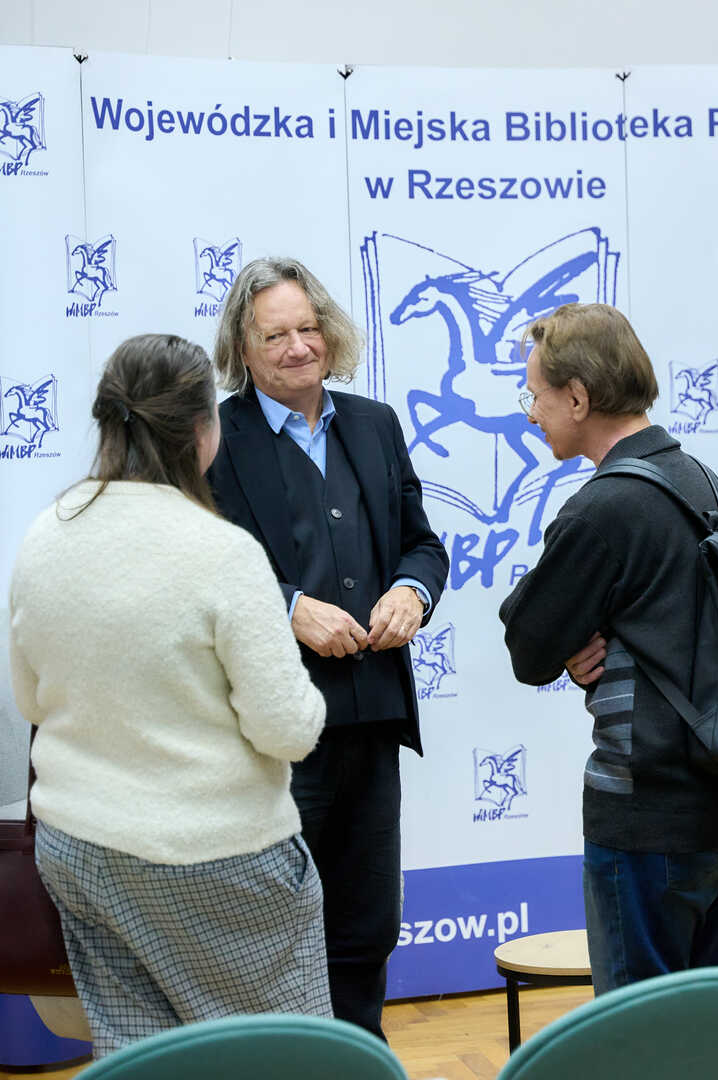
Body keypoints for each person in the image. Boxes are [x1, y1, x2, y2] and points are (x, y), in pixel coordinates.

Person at [9, 335, 330, 1057]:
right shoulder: (222, 553)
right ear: (201, 431)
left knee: (143, 1061)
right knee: (283, 1060)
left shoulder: (44, 535)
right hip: (212, 856)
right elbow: (286, 730)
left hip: (79, 849)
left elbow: (30, 700)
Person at [207, 257, 449, 1039]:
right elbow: (200, 568)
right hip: (274, 730)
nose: (298, 348)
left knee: (367, 927)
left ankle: (359, 1059)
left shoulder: (374, 424)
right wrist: (285, 607)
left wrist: (411, 591)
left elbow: (422, 545)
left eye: (308, 328)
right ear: (242, 350)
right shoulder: (213, 438)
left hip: (373, 716)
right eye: (274, 335)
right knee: (276, 928)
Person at [499, 303, 718, 994]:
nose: (531, 415)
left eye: (535, 395)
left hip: (649, 811)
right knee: (696, 1018)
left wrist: (569, 645)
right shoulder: (700, 479)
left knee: (637, 1031)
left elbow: (528, 644)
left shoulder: (604, 508)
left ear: (577, 397)